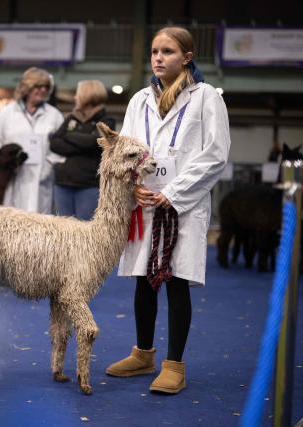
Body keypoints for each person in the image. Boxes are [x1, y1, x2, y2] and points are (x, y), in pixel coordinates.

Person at [105, 27, 231, 394]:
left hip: (183, 205)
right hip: (144, 201)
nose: (158, 58)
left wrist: (173, 192)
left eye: (168, 51)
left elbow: (216, 153)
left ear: (187, 57)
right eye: (154, 51)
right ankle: (143, 354)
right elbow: (123, 148)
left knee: (175, 281)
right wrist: (133, 184)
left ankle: (174, 364)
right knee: (144, 279)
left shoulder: (206, 97)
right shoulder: (139, 100)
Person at [0, 67, 64, 213]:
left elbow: (62, 146)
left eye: (46, 87)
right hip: (13, 178)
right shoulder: (7, 113)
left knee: (40, 227)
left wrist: (49, 164)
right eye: (38, 86)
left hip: (41, 181)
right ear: (26, 88)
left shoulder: (54, 116)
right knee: (13, 224)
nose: (42, 90)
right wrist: (4, 164)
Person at [49, 80, 116, 220]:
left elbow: (95, 143)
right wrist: (84, 143)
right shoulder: (72, 118)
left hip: (89, 185)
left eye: (77, 94)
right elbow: (54, 143)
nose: (75, 98)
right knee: (62, 231)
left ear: (87, 95)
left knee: (85, 230)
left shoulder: (107, 120)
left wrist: (69, 136)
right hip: (63, 183)